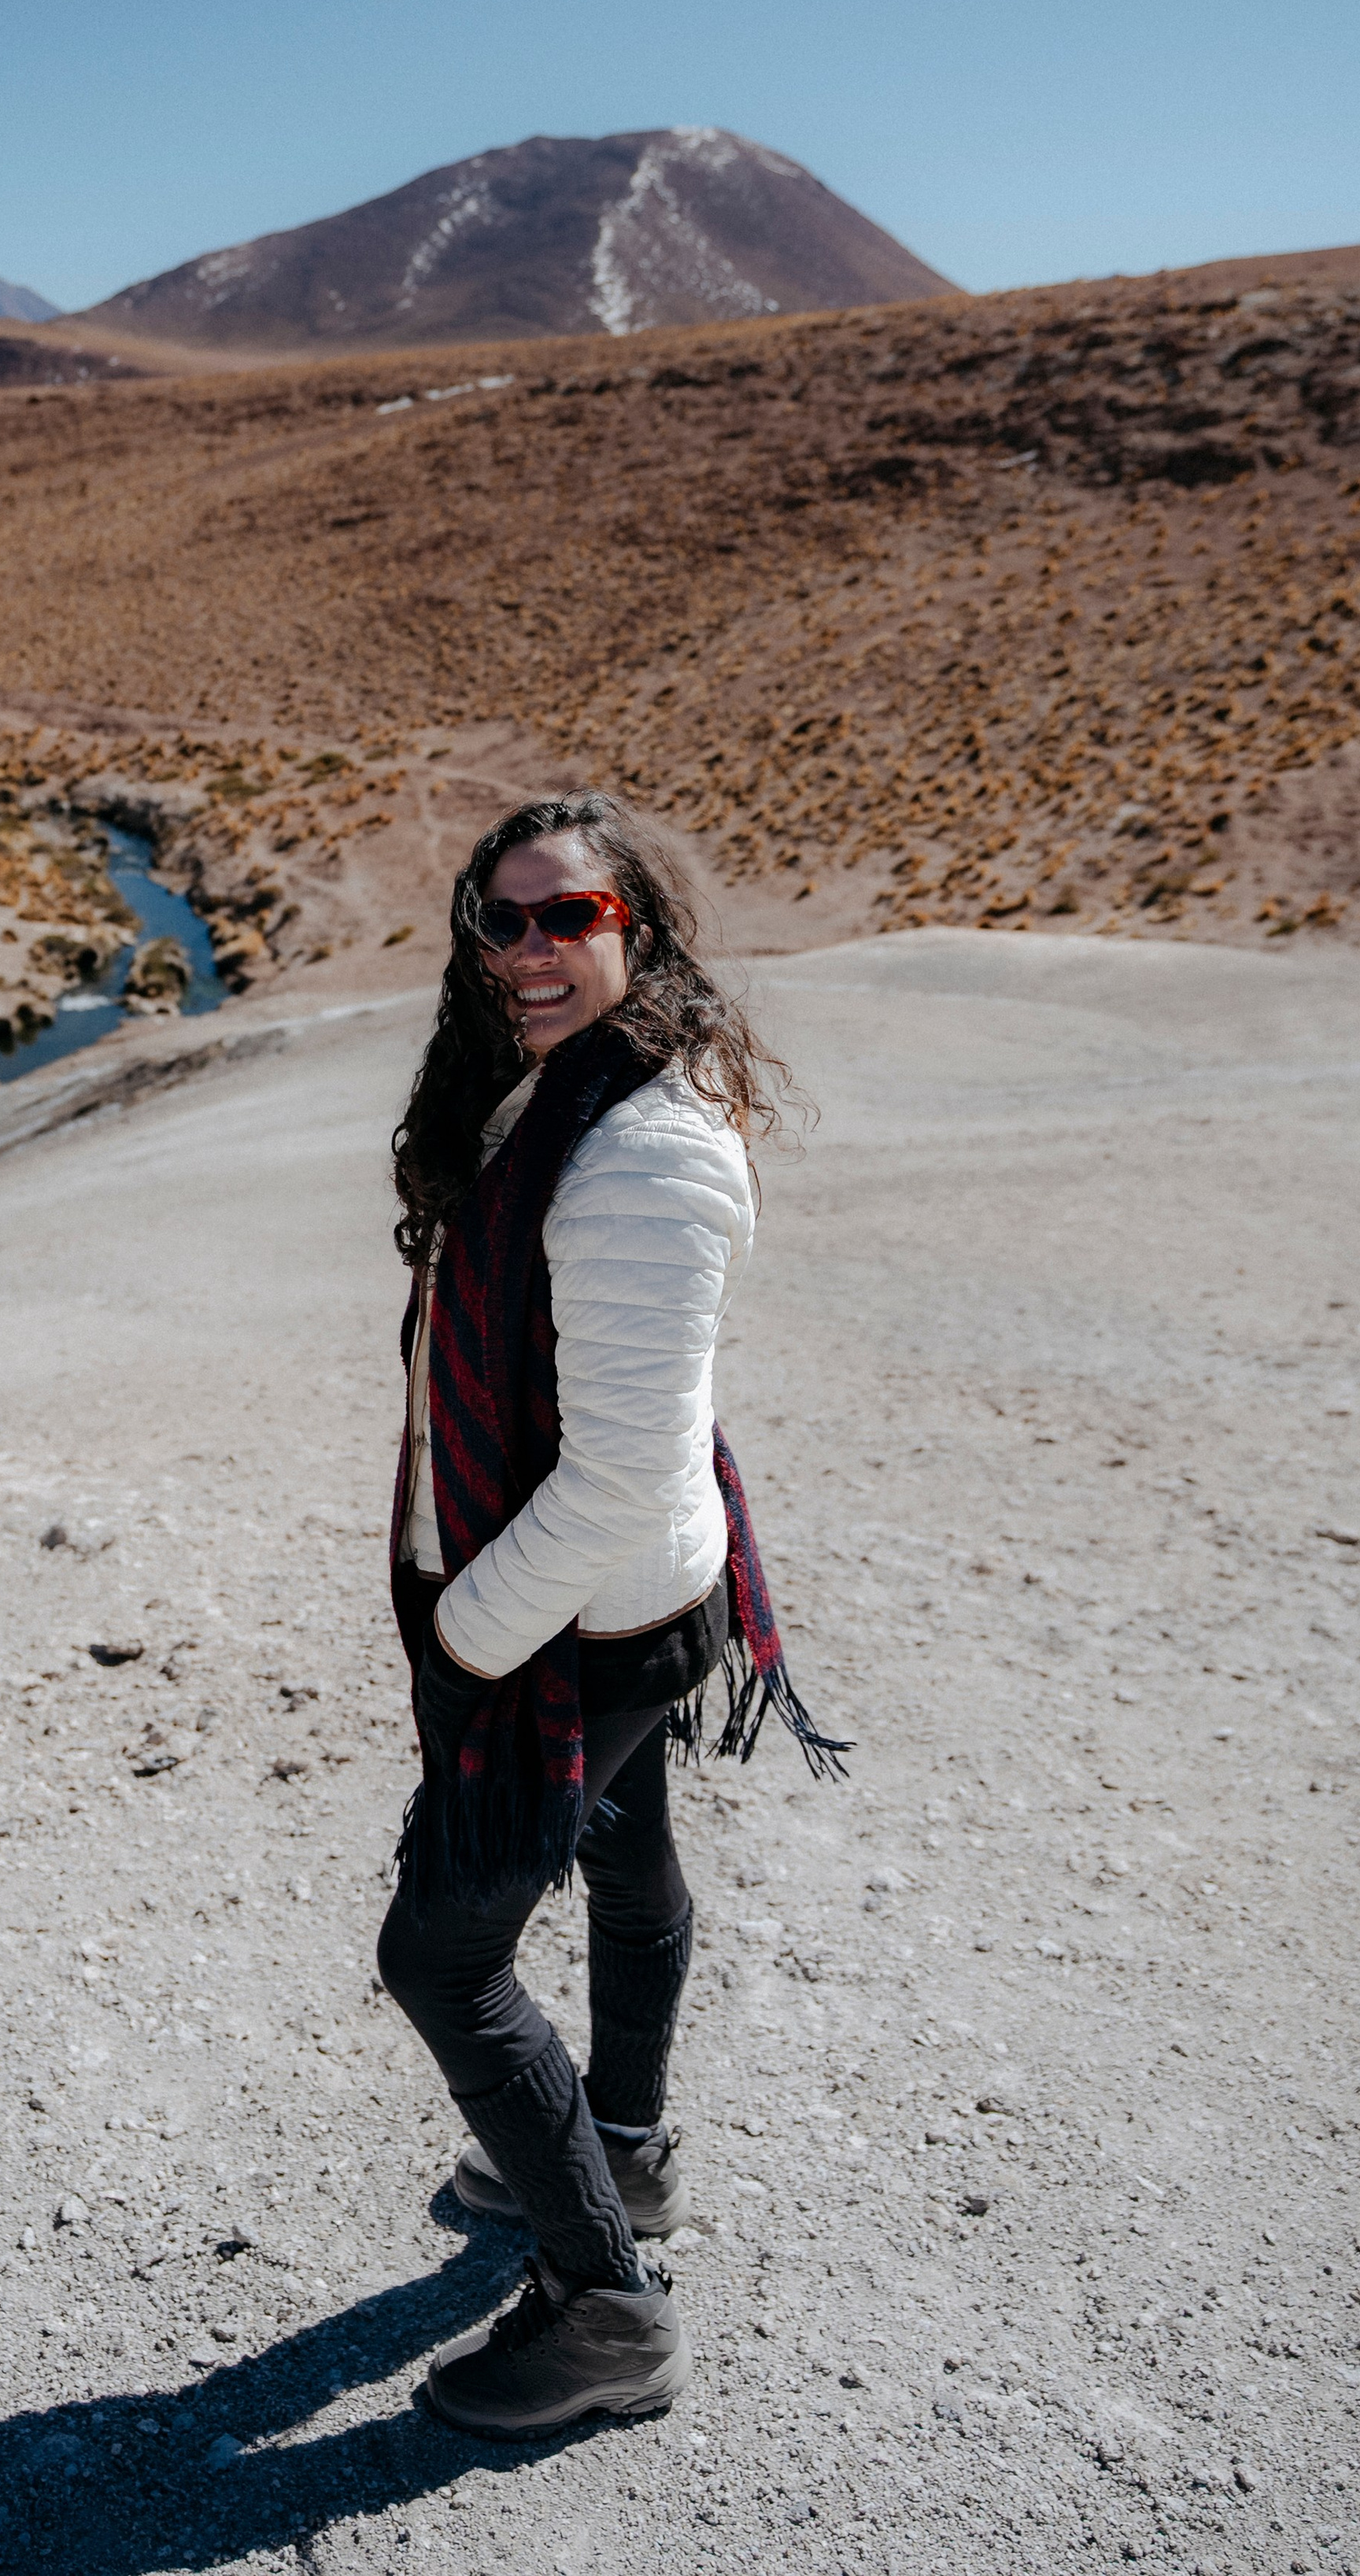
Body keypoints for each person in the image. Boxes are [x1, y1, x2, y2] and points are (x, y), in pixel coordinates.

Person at [375, 791, 843, 2437]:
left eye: (561, 917)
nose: (521, 951)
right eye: (494, 920)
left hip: (576, 1619)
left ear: (633, 922)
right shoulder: (563, 1092)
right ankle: (623, 2158)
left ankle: (603, 2314)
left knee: (438, 1952)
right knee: (630, 1864)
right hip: (626, 1607)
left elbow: (614, 1474)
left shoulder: (636, 1147)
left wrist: (462, 1638)